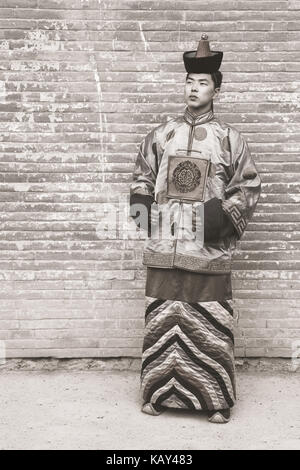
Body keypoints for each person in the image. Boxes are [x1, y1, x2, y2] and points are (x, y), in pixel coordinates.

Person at [129, 34, 262, 423]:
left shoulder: (229, 139)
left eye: (202, 82)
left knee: (210, 322)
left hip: (208, 250)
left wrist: (217, 221)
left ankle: (215, 399)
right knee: (162, 319)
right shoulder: (161, 134)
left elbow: (248, 187)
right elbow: (141, 177)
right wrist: (145, 216)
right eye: (189, 82)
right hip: (165, 248)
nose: (194, 88)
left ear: (216, 88)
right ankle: (156, 393)